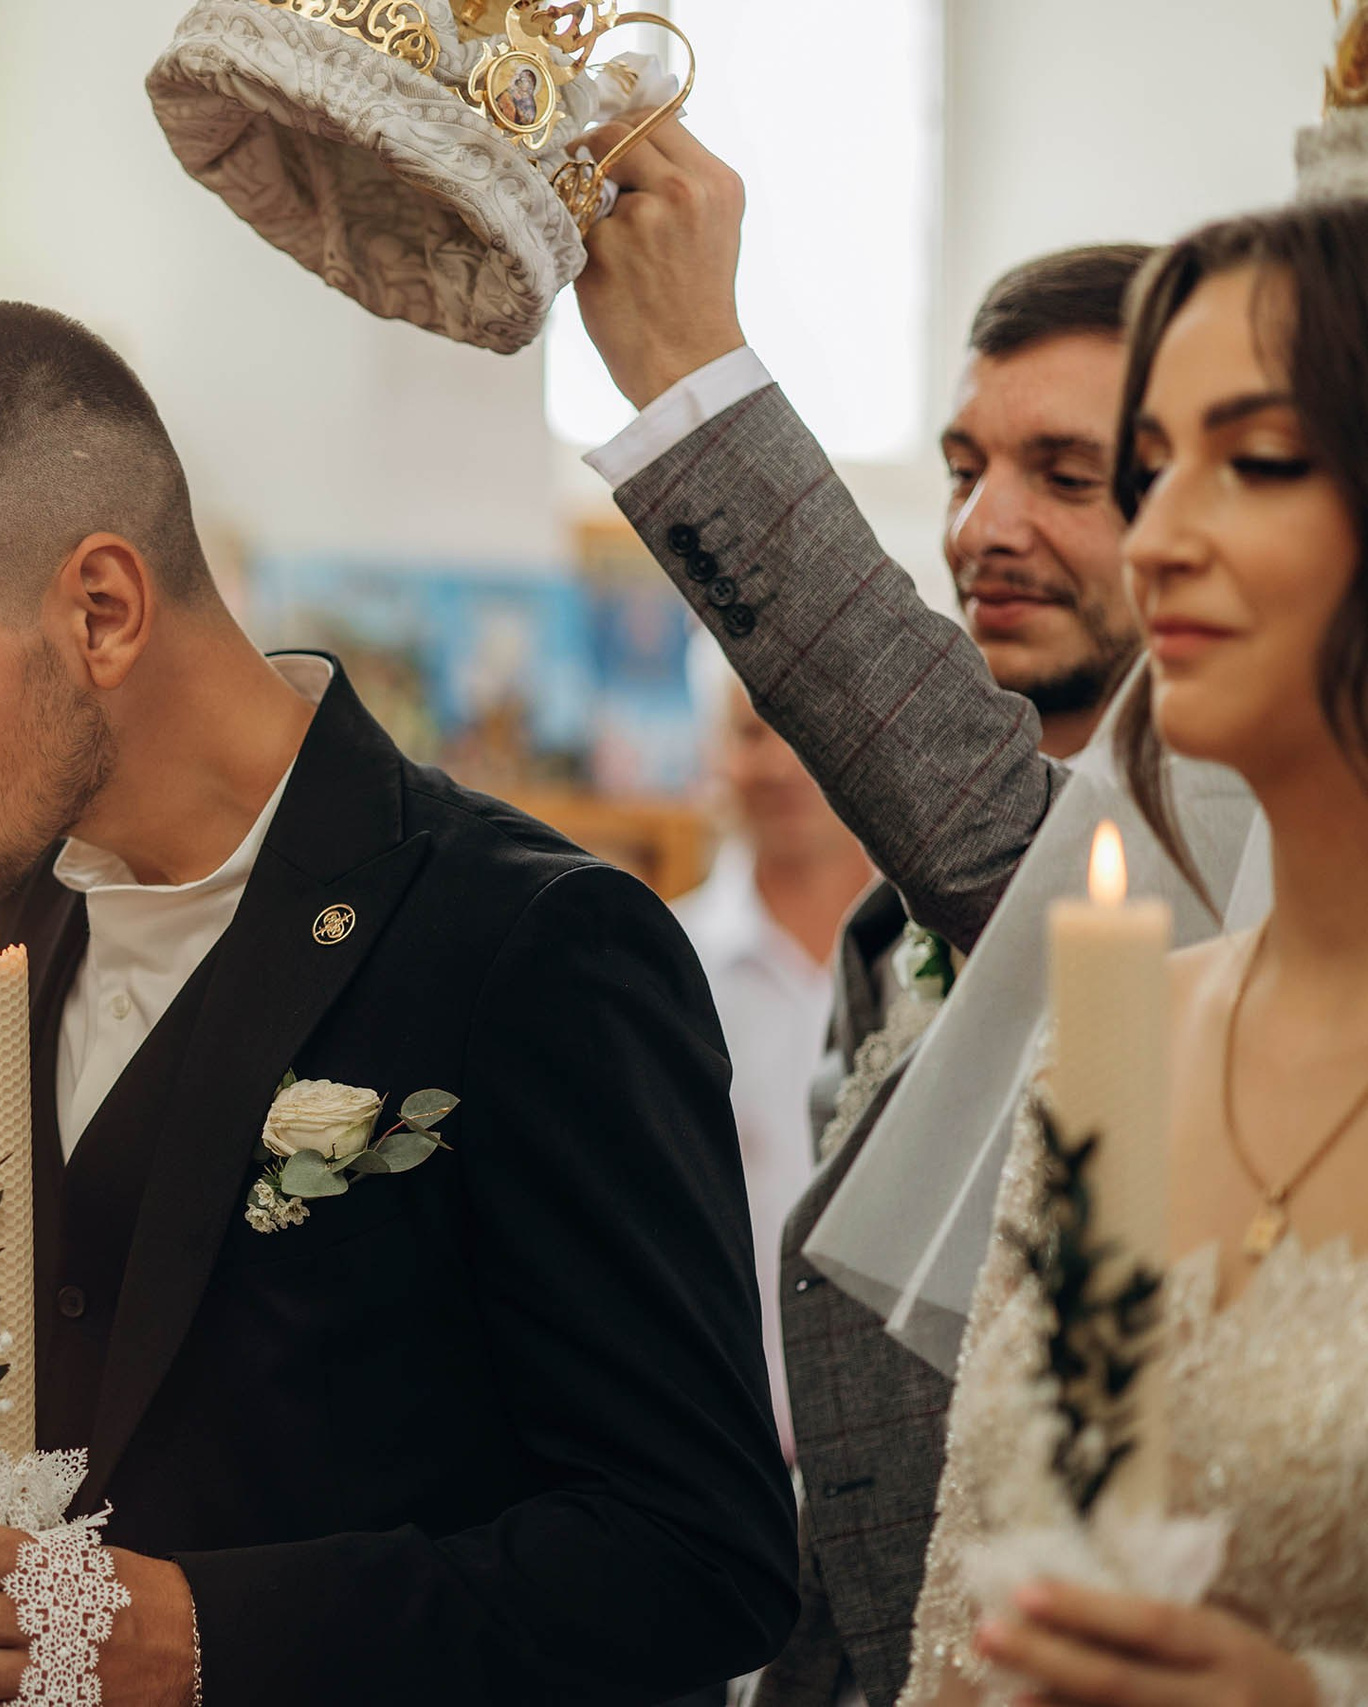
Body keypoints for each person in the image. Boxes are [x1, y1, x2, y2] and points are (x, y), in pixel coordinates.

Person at [0, 298, 798, 1707]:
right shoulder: (11, 912)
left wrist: (208, 1635)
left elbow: (700, 1556)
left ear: (102, 609)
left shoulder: (533, 944)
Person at [572, 115, 1164, 1707]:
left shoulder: (1228, 876)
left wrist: (691, 373)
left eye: (1068, 476)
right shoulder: (881, 932)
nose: (984, 528)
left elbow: (994, 837)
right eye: (965, 471)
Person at [903, 199, 1368, 1707]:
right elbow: (965, 1614)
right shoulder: (1116, 1034)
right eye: (1153, 469)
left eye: (1260, 461)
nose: (1158, 539)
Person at [674, 656, 871, 1466]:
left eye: (805, 724)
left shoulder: (937, 950)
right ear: (714, 752)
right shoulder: (667, 965)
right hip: (732, 1449)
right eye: (754, 731)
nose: (784, 761)